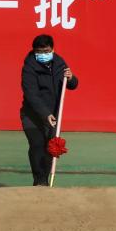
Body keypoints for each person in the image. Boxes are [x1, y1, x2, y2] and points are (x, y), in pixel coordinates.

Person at [21, 34, 78, 186]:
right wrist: (44, 113)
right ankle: (39, 181)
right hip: (32, 116)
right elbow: (31, 94)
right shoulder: (29, 67)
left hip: (53, 116)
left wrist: (71, 78)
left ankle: (44, 181)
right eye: (39, 52)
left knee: (50, 148)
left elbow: (73, 85)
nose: (43, 54)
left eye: (46, 51)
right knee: (37, 145)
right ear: (34, 51)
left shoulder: (59, 63)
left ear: (52, 49)